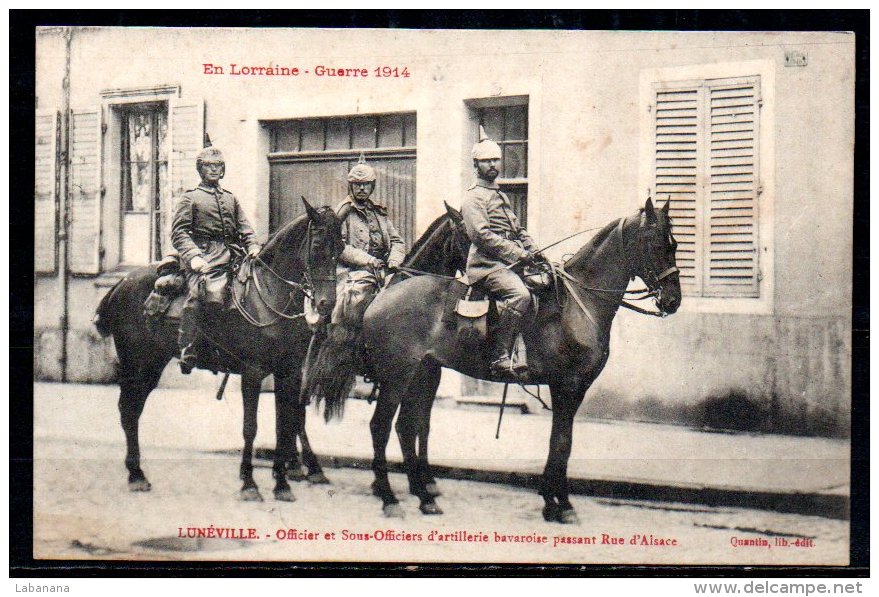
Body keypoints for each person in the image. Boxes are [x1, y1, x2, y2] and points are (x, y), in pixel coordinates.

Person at [171, 145, 260, 374]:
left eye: (218, 166)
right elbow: (179, 233)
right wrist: (194, 258)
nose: (214, 170)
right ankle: (188, 348)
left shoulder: (230, 198)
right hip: (204, 256)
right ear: (200, 169)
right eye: (208, 166)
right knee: (202, 293)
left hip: (232, 255)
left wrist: (252, 247)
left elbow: (245, 228)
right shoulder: (190, 198)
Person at [461, 126, 541, 381]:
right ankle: (500, 355)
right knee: (520, 294)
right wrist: (518, 254)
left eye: (495, 159)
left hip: (508, 263)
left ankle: (527, 352)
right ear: (476, 165)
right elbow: (482, 236)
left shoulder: (499, 195)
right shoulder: (473, 198)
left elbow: (517, 229)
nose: (492, 165)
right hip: (486, 266)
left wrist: (535, 252)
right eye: (486, 161)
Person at [331, 153, 406, 327]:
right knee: (354, 299)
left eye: (366, 184)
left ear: (372, 186)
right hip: (351, 272)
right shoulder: (343, 212)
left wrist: (394, 260)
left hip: (382, 270)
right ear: (351, 186)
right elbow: (339, 246)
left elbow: (397, 241)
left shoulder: (378, 212)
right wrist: (368, 260)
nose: (362, 188)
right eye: (357, 185)